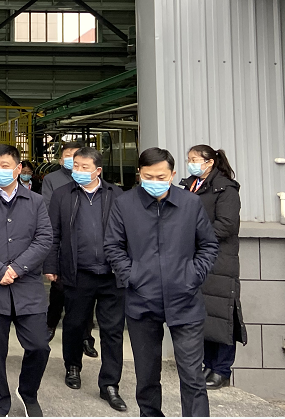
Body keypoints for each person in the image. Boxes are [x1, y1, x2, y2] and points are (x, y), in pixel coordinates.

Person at [104, 147, 219, 417]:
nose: (154, 182)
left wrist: (193, 276)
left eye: (161, 177)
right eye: (148, 177)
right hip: (142, 301)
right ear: (139, 174)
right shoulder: (124, 204)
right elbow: (113, 246)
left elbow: (208, 245)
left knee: (192, 376)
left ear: (172, 175)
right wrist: (132, 276)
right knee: (146, 377)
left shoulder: (190, 203)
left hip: (185, 300)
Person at [0, 143, 53, 417]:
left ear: (18, 169)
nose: (0, 171)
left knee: (39, 345)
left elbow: (44, 239)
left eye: (6, 166)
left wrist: (16, 269)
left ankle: (28, 392)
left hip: (27, 287)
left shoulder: (36, 201)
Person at [44, 147, 128, 412]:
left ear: (98, 170)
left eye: (84, 167)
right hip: (77, 272)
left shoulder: (116, 195)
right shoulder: (62, 195)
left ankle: (110, 384)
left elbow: (128, 233)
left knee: (112, 330)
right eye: (76, 165)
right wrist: (51, 265)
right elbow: (53, 233)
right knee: (74, 323)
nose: (78, 170)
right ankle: (72, 366)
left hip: (112, 274)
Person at [179, 145, 246, 390]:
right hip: (196, 258)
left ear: (209, 162)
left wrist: (197, 236)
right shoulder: (190, 186)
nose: (191, 164)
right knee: (204, 313)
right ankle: (207, 364)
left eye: (195, 159)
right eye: (189, 159)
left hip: (219, 259)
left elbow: (226, 225)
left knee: (222, 313)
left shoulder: (225, 188)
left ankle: (221, 369)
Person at [42, 141, 97, 358]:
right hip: (63, 248)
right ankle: (50, 324)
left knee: (86, 299)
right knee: (58, 292)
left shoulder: (96, 184)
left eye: (76, 154)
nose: (73, 159)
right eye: (68, 155)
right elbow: (49, 212)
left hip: (84, 253)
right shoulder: (53, 180)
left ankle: (86, 337)